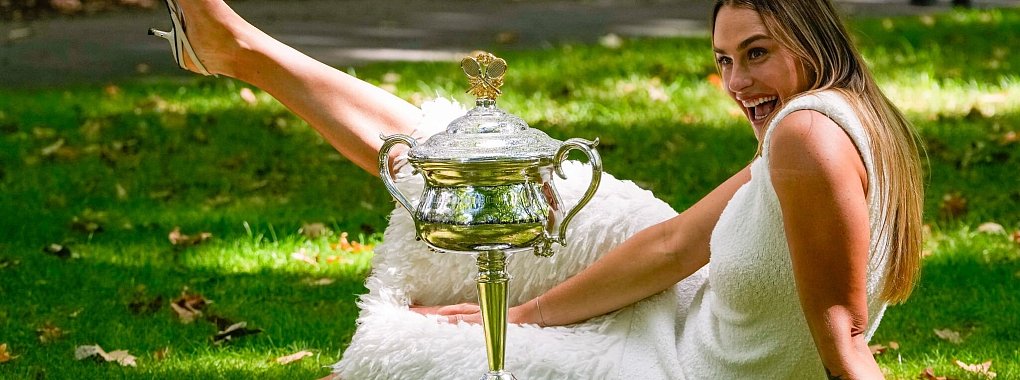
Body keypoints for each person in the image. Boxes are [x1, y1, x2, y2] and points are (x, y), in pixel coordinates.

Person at [148, 0, 924, 378]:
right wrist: (528, 312)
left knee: (424, 350)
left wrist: (525, 334)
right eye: (724, 60)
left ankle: (237, 50)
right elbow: (681, 242)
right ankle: (239, 49)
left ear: (810, 40)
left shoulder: (807, 136)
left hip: (674, 363)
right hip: (683, 300)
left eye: (756, 54)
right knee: (488, 165)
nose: (736, 83)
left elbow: (845, 341)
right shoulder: (848, 118)